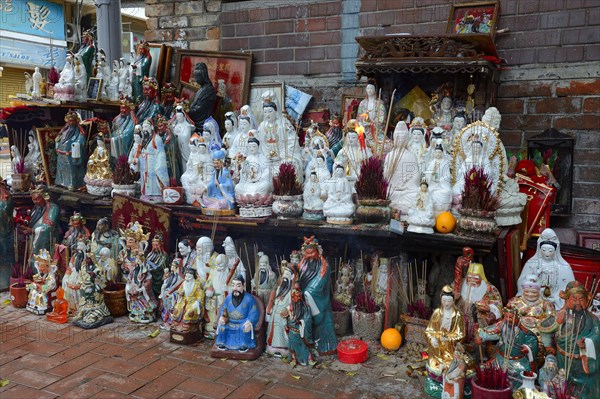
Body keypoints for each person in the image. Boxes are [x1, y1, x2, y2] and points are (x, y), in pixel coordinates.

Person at [549, 281, 599, 399]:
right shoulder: (561, 316)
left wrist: (586, 342)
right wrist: (547, 346)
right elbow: (545, 328)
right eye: (574, 299)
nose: (578, 303)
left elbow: (598, 335)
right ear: (567, 300)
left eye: (581, 299)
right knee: (562, 389)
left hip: (582, 362)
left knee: (584, 392)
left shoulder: (593, 320)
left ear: (587, 300)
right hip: (563, 360)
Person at [476, 309, 539, 388]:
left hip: (518, 361)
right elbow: (489, 332)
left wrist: (527, 348)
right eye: (506, 316)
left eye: (511, 317)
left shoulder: (524, 331)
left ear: (517, 317)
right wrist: (481, 337)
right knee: (488, 370)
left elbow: (532, 340)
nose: (509, 319)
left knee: (524, 372)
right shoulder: (502, 326)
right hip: (501, 359)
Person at [297, 236, 337, 355]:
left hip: (319, 301)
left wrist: (309, 293)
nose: (309, 255)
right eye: (307, 252)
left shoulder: (324, 266)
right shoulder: (303, 264)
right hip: (305, 300)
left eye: (312, 252)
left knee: (322, 322)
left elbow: (319, 284)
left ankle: (325, 346)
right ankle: (307, 344)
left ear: (318, 251)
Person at [517, 228, 575, 309]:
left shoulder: (563, 266)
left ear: (555, 250)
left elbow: (571, 286)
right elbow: (521, 283)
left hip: (555, 299)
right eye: (544, 250)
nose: (547, 253)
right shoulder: (532, 263)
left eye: (550, 250)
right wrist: (533, 279)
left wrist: (557, 296)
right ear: (540, 249)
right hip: (535, 298)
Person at [384, 121, 421, 221]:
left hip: (407, 189)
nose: (400, 140)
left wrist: (407, 183)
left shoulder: (411, 156)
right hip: (393, 189)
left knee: (416, 194)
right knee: (386, 193)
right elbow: (385, 177)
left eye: (403, 138)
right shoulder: (390, 156)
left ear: (406, 140)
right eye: (398, 138)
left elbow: (416, 176)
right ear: (395, 139)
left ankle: (404, 213)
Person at [425, 286, 466, 375]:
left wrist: (448, 339)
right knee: (434, 357)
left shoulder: (458, 314)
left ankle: (447, 366)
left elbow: (461, 334)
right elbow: (429, 330)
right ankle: (439, 364)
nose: (446, 304)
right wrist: (432, 338)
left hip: (451, 347)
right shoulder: (437, 313)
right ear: (440, 299)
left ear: (453, 301)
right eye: (444, 301)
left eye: (449, 301)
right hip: (438, 346)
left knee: (459, 361)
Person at [215, 275, 260, 352]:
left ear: (243, 286)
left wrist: (250, 321)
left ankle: (244, 344)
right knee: (222, 326)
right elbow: (223, 309)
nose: (235, 288)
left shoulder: (249, 299)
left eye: (238, 286)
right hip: (229, 322)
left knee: (245, 328)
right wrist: (223, 317)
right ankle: (223, 342)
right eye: (233, 285)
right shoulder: (228, 298)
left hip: (243, 322)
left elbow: (254, 312)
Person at [456, 262, 503, 330]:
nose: (472, 281)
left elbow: (499, 307)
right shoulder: (459, 285)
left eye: (475, 278)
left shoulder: (490, 289)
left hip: (481, 326)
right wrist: (454, 297)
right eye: (469, 277)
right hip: (461, 325)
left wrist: (489, 308)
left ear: (481, 278)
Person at [73, 257, 113, 329]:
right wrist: (80, 283)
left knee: (92, 291)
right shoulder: (83, 267)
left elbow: (102, 280)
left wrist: (95, 277)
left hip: (95, 285)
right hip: (85, 285)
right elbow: (80, 277)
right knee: (83, 291)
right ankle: (82, 313)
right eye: (86, 259)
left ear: (93, 259)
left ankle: (94, 315)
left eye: (89, 259)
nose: (87, 260)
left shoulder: (98, 269)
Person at [25, 185, 60, 268]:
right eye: (33, 200)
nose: (35, 202)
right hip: (34, 238)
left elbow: (49, 226)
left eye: (38, 199)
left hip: (47, 239)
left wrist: (33, 230)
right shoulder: (37, 208)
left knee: (43, 262)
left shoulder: (53, 208)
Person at [266, 261, 294, 357]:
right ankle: (272, 346)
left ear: (291, 277)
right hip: (275, 313)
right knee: (273, 331)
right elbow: (273, 299)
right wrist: (270, 306)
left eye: (287, 274)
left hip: (283, 315)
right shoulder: (279, 288)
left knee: (282, 332)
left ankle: (283, 347)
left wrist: (287, 310)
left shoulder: (291, 292)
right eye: (284, 274)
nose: (285, 277)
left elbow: (292, 304)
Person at [285, 284, 316, 367]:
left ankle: (309, 360)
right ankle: (293, 360)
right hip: (292, 331)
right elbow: (286, 317)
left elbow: (308, 319)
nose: (296, 299)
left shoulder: (306, 307)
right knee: (292, 347)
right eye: (294, 297)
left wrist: (301, 322)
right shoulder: (289, 307)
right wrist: (287, 323)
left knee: (305, 347)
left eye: (298, 296)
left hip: (301, 332)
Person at [55, 110, 87, 190]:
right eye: (69, 121)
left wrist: (76, 145)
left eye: (72, 121)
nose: (71, 123)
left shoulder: (79, 131)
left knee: (71, 169)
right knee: (61, 169)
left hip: (71, 154)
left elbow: (81, 140)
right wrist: (57, 141)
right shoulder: (64, 130)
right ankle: (61, 181)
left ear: (76, 121)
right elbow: (58, 138)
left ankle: (72, 183)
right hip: (61, 154)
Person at [139, 120, 170, 200]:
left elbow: (160, 153)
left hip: (153, 163)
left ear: (151, 127)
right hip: (145, 163)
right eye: (143, 127)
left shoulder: (157, 138)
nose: (144, 129)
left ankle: (156, 194)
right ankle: (146, 194)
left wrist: (159, 165)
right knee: (145, 179)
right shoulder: (145, 139)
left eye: (146, 127)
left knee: (152, 178)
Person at [170, 268, 205, 334]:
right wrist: (180, 293)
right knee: (176, 310)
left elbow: (201, 295)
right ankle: (176, 323)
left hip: (193, 303)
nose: (187, 278)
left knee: (190, 313)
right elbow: (179, 290)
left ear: (193, 277)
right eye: (186, 276)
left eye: (189, 277)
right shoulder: (184, 283)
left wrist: (197, 302)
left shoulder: (197, 284)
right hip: (183, 302)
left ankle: (186, 326)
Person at [26, 249, 57, 315]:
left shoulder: (50, 276)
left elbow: (50, 285)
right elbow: (37, 281)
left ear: (48, 267)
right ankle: (32, 305)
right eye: (40, 266)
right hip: (40, 287)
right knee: (32, 291)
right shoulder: (41, 274)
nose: (41, 269)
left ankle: (41, 306)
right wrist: (33, 284)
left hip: (46, 289)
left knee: (40, 295)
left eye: (42, 267)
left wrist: (41, 287)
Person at [189, 62, 217, 130]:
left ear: (203, 76)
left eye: (197, 77)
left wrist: (188, 111)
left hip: (201, 122)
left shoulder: (208, 90)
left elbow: (199, 109)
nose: (196, 79)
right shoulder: (202, 89)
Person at [111, 96, 138, 162]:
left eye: (123, 108)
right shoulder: (119, 118)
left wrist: (113, 140)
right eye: (120, 108)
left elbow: (126, 136)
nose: (121, 111)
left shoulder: (132, 121)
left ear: (129, 108)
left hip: (123, 147)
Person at [170, 104, 195, 174]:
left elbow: (186, 136)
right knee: (178, 162)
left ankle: (186, 173)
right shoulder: (176, 125)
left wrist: (177, 135)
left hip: (184, 146)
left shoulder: (187, 126)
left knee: (184, 162)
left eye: (180, 116)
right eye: (177, 116)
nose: (178, 118)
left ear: (183, 117)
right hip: (177, 146)